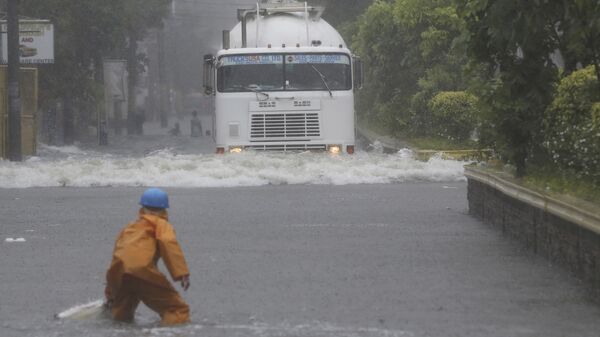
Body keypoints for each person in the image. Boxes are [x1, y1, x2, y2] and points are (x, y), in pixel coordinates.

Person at [104, 188, 191, 326]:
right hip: (143, 272)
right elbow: (168, 243)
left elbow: (117, 257)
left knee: (122, 311)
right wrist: (182, 273)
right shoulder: (161, 224)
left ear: (142, 208)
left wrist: (110, 292)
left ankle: (118, 329)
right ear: (164, 210)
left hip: (121, 272)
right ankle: (171, 331)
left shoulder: (129, 228)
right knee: (176, 309)